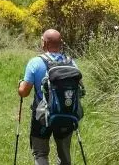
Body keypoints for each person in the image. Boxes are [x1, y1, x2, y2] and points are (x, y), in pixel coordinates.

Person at [18, 29, 77, 165]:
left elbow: (24, 92)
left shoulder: (35, 62)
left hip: (42, 116)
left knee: (40, 153)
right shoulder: (71, 63)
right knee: (64, 154)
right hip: (66, 115)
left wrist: (20, 84)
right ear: (60, 43)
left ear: (44, 43)